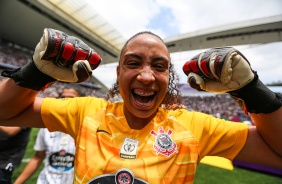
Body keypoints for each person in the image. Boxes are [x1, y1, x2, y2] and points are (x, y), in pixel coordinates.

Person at [0, 28, 281, 184]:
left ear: (168, 78)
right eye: (133, 63)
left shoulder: (194, 126)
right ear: (119, 73)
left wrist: (252, 90)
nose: (146, 76)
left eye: (159, 67)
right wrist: (35, 73)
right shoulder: (85, 111)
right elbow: (5, 111)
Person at [14, 85, 81, 184]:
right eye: (63, 97)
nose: (67, 101)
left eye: (71, 98)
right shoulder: (47, 128)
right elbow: (38, 157)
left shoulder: (87, 129)